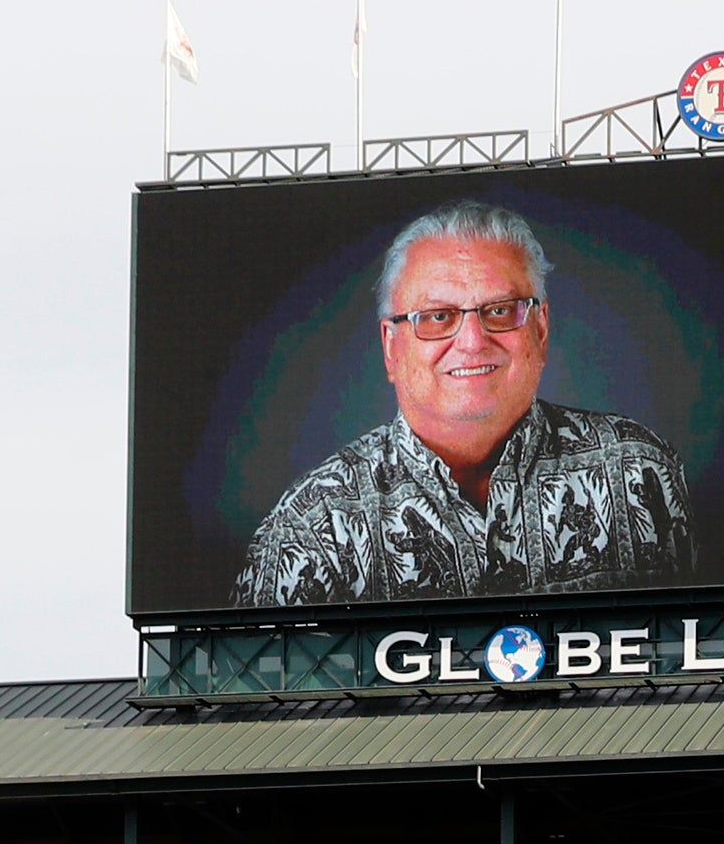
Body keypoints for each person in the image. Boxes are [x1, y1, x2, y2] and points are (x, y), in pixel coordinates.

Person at [232, 201, 695, 607]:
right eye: (437, 317)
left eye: (500, 310)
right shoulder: (314, 526)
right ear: (391, 347)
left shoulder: (639, 471)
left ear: (541, 329)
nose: (472, 342)